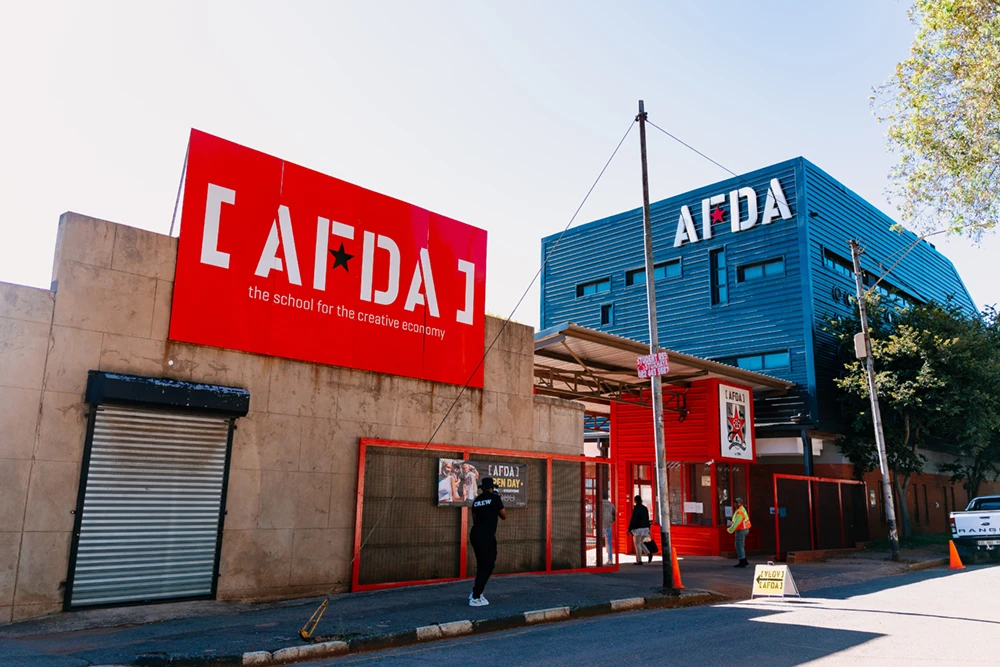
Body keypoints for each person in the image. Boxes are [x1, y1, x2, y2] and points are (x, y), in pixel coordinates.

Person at [469, 477, 506, 606]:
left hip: (475, 534)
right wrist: (496, 501)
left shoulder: (476, 501)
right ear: (492, 488)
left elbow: (474, 519)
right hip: (487, 536)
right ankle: (476, 596)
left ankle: (477, 592)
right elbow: (504, 515)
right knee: (488, 565)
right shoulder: (495, 499)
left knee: (482, 564)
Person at [727, 497, 751, 568]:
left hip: (741, 530)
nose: (735, 504)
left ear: (741, 503)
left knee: (739, 546)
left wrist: (730, 529)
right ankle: (744, 560)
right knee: (741, 545)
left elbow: (737, 522)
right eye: (735, 502)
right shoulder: (740, 510)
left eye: (737, 502)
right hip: (744, 529)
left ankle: (742, 561)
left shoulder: (740, 511)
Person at [627, 495, 652, 565]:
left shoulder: (636, 508)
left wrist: (629, 529)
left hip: (637, 529)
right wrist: (648, 528)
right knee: (641, 543)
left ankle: (640, 560)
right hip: (645, 528)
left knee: (637, 544)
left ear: (635, 501)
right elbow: (647, 518)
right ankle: (648, 553)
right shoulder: (645, 508)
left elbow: (633, 519)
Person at [601, 492, 616, 565]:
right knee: (609, 542)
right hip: (609, 524)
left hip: (601, 524)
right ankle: (610, 560)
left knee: (599, 542)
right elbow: (614, 515)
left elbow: (595, 513)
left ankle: (599, 559)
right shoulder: (611, 504)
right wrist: (611, 522)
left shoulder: (599, 504)